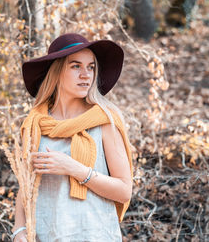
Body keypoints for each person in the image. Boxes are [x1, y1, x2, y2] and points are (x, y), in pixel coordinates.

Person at [11, 33, 133, 242]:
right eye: (75, 66)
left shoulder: (104, 121)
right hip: (45, 235)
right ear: (57, 72)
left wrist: (74, 168)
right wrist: (18, 228)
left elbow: (124, 191)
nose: (85, 74)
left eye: (91, 67)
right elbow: (26, 184)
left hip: (94, 235)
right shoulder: (36, 123)